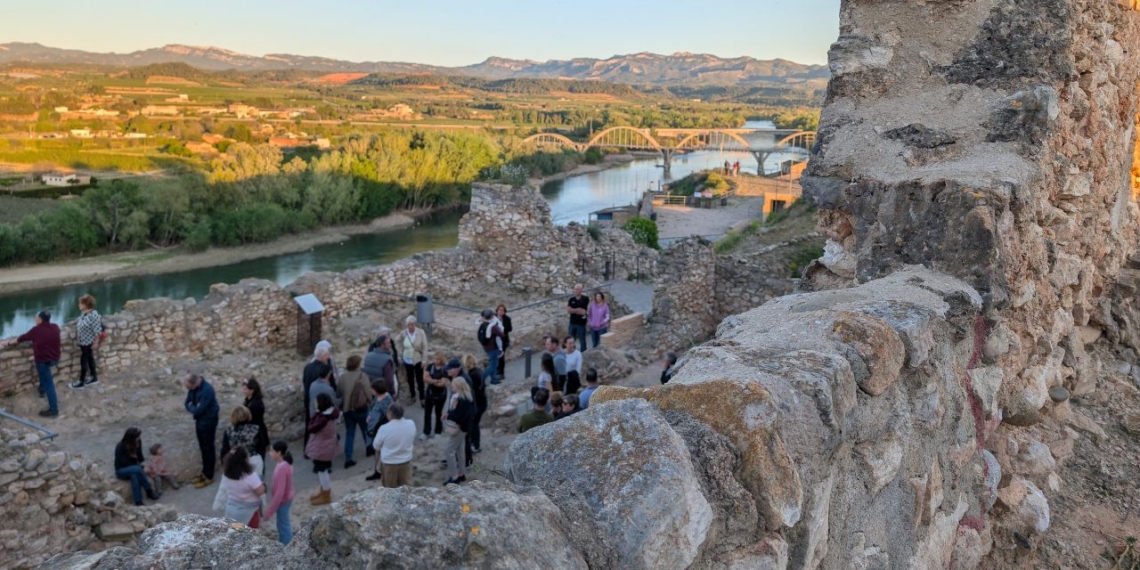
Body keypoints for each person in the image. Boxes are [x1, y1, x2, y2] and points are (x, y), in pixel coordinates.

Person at [8, 311, 61, 417]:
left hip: (43, 360)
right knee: (44, 375)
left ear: (40, 320)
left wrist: (8, 343)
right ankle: (42, 390)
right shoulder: (55, 327)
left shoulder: (36, 330)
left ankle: (53, 410)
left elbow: (21, 338)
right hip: (55, 358)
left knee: (49, 384)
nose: (35, 319)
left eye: (36, 318)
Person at [184, 374, 219, 488]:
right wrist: (194, 407)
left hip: (209, 420)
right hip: (200, 421)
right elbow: (187, 403)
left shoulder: (207, 390)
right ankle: (204, 472)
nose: (189, 390)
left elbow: (199, 410)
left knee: (208, 447)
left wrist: (193, 407)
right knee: (203, 447)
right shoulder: (194, 389)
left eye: (189, 388)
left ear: (195, 383)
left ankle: (209, 476)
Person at [305, 392, 340, 506]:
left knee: (322, 470)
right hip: (326, 446)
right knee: (322, 469)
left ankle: (326, 494)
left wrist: (316, 414)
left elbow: (311, 428)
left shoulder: (323, 419)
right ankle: (324, 490)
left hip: (322, 447)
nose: (314, 404)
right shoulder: (330, 414)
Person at [369, 403, 416, 488]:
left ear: (390, 414)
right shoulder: (411, 424)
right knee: (406, 489)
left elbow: (376, 446)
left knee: (390, 490)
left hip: (389, 464)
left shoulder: (384, 428)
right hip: (405, 462)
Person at [337, 354, 371, 469]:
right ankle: (369, 448)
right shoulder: (362, 376)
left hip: (347, 409)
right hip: (361, 408)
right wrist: (370, 402)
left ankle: (348, 458)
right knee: (365, 429)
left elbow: (339, 393)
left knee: (350, 433)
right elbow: (368, 392)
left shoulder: (342, 378)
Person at [114, 427, 160, 506]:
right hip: (121, 470)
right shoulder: (120, 447)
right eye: (137, 437)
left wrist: (145, 465)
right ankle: (149, 490)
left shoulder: (138, 442)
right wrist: (142, 467)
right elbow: (124, 462)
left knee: (135, 476)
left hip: (134, 469)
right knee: (137, 469)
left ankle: (138, 501)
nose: (139, 438)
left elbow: (140, 457)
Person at [221, 447, 265, 528]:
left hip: (232, 509)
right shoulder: (250, 477)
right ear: (245, 460)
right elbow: (260, 491)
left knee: (235, 531)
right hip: (249, 512)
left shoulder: (227, 475)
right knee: (250, 534)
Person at [443, 375, 474, 485]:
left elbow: (459, 416)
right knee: (460, 451)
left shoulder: (461, 400)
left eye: (454, 386)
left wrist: (449, 414)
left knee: (449, 451)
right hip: (464, 428)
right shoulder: (465, 397)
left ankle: (454, 476)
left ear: (459, 386)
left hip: (459, 428)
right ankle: (461, 473)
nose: (452, 387)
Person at [301, 345, 332, 452]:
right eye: (327, 355)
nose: (328, 357)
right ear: (322, 356)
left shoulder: (307, 367)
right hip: (321, 403)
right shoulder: (323, 369)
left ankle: (307, 449)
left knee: (309, 426)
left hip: (308, 400)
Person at [264, 440, 295, 545]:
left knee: (283, 525)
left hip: (283, 501)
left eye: (272, 451)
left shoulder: (282, 467)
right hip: (286, 499)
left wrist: (269, 512)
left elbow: (279, 493)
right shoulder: (285, 464)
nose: (270, 453)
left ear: (279, 453)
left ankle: (287, 545)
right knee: (282, 523)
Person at [220, 406, 263, 476]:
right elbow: (261, 448)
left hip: (235, 463)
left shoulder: (229, 431)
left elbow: (225, 450)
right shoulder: (255, 429)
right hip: (253, 461)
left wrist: (225, 465)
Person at [70, 294, 102, 389]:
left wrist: (96, 342)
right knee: (89, 359)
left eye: (80, 303)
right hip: (83, 342)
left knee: (83, 361)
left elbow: (97, 330)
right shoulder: (84, 314)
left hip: (88, 343)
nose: (78, 305)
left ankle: (81, 382)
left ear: (85, 305)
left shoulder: (94, 315)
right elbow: (79, 322)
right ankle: (94, 377)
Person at [396, 316, 428, 406]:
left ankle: (422, 398)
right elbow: (397, 341)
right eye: (409, 324)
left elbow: (425, 346)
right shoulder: (404, 333)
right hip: (407, 359)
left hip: (417, 359)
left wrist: (424, 359)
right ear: (406, 325)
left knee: (419, 379)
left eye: (412, 324)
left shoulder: (420, 332)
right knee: (410, 379)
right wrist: (400, 352)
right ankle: (413, 395)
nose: (411, 326)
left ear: (415, 324)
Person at [463, 354, 488, 455]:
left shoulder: (471, 375)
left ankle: (475, 445)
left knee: (474, 424)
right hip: (482, 401)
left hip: (478, 403)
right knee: (474, 424)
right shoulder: (479, 371)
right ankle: (475, 444)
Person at [421, 352, 449, 440]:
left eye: (437, 359)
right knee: (427, 413)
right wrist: (436, 381)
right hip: (430, 393)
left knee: (438, 413)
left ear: (441, 359)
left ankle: (438, 431)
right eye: (434, 358)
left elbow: (442, 383)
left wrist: (431, 380)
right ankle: (426, 432)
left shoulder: (444, 368)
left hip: (441, 394)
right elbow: (425, 378)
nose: (435, 361)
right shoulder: (430, 366)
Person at [241, 377, 269, 462]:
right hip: (252, 432)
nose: (243, 391)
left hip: (257, 434)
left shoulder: (256, 404)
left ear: (252, 390)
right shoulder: (248, 400)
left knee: (258, 459)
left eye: (245, 389)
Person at [364, 380, 394, 460]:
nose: (371, 390)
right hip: (376, 427)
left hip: (382, 427)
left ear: (378, 389)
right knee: (377, 449)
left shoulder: (386, 400)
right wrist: (370, 415)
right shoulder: (377, 397)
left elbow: (388, 414)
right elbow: (372, 407)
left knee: (381, 449)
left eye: (372, 389)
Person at [478, 309, 505, 385]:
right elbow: (502, 335)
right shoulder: (493, 327)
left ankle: (494, 379)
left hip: (486, 347)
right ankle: (482, 378)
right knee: (494, 365)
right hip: (493, 348)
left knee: (493, 363)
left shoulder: (483, 324)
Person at [566, 284, 589, 352]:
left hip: (581, 323)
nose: (575, 290)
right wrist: (578, 310)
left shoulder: (585, 298)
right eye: (575, 289)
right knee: (571, 340)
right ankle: (572, 352)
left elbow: (583, 312)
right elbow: (568, 310)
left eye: (577, 289)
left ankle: (584, 354)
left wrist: (573, 310)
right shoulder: (571, 299)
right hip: (572, 323)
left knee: (582, 340)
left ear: (581, 290)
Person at [495, 304, 512, 381]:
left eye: (502, 310)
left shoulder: (507, 319)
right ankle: (496, 370)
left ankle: (501, 373)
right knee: (495, 356)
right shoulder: (493, 318)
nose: (500, 311)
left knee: (501, 357)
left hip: (503, 340)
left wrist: (502, 330)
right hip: (495, 340)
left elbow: (510, 329)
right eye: (499, 310)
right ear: (497, 310)